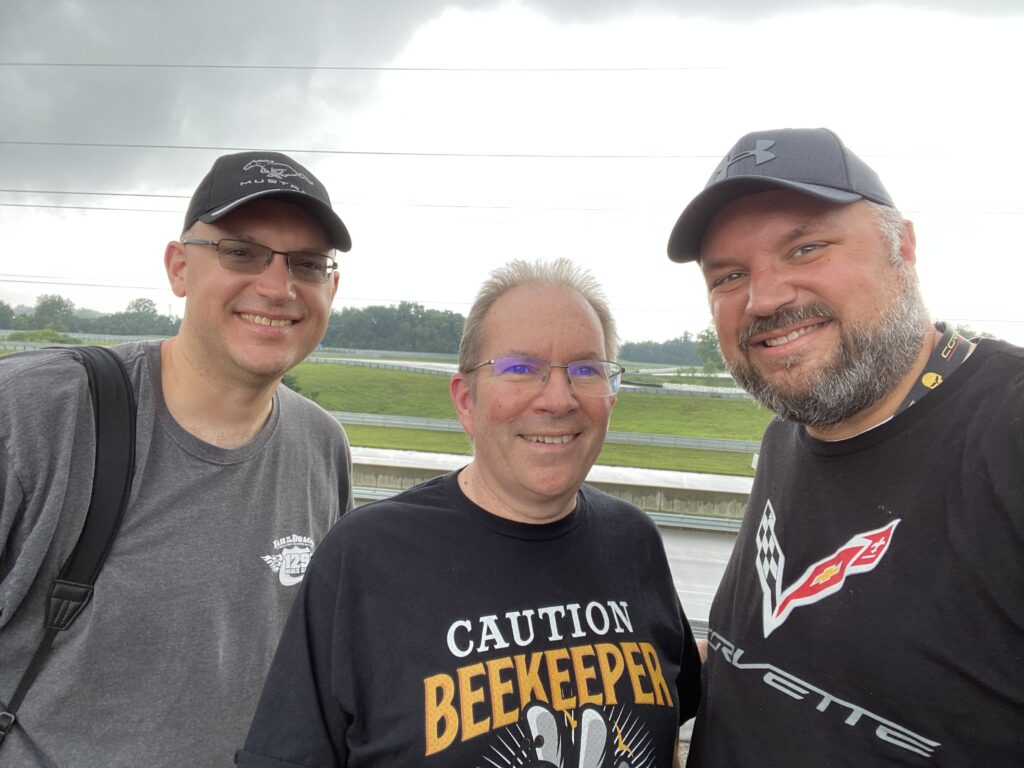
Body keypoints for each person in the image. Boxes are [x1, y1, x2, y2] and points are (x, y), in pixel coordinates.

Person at [237, 258, 701, 768]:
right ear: (465, 400)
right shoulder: (367, 556)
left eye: (587, 370)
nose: (558, 398)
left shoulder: (634, 542)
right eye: (521, 369)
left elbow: (668, 728)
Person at [667, 127, 1024, 766]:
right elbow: (765, 658)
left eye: (806, 248)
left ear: (903, 248)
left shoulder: (1006, 429)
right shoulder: (790, 436)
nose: (765, 297)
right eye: (729, 275)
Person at [0, 151, 355, 767]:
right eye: (241, 252)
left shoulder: (323, 448)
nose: (278, 286)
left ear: (332, 287)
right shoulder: (36, 414)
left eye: (307, 263)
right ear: (178, 267)